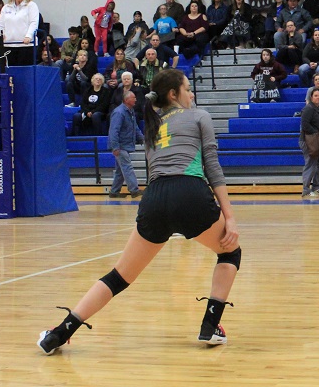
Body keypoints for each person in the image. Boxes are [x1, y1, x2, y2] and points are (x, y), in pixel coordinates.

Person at [38, 69, 240, 354]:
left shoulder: (153, 125)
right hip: (190, 192)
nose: (192, 94)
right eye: (187, 89)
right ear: (174, 94)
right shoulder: (200, 116)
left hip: (154, 198)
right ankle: (210, 327)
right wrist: (229, 217)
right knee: (231, 251)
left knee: (119, 276)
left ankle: (59, 333)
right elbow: (213, 167)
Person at [107, 90, 144, 199]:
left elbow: (135, 127)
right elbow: (114, 131)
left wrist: (142, 138)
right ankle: (134, 190)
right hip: (120, 146)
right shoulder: (119, 112)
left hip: (124, 145)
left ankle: (114, 191)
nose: (136, 99)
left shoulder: (130, 111)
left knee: (120, 170)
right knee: (127, 167)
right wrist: (115, 147)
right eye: (133, 98)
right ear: (127, 100)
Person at [0, 0, 40, 66]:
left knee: (24, 72)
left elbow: (34, 23)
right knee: (10, 73)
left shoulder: (31, 5)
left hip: (26, 46)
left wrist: (28, 36)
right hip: (9, 45)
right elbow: (1, 25)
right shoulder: (6, 7)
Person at [299, 86, 319, 199]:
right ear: (311, 98)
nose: (317, 98)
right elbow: (305, 125)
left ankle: (316, 186)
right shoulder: (308, 109)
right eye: (315, 96)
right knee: (310, 164)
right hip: (308, 140)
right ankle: (306, 190)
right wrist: (315, 133)